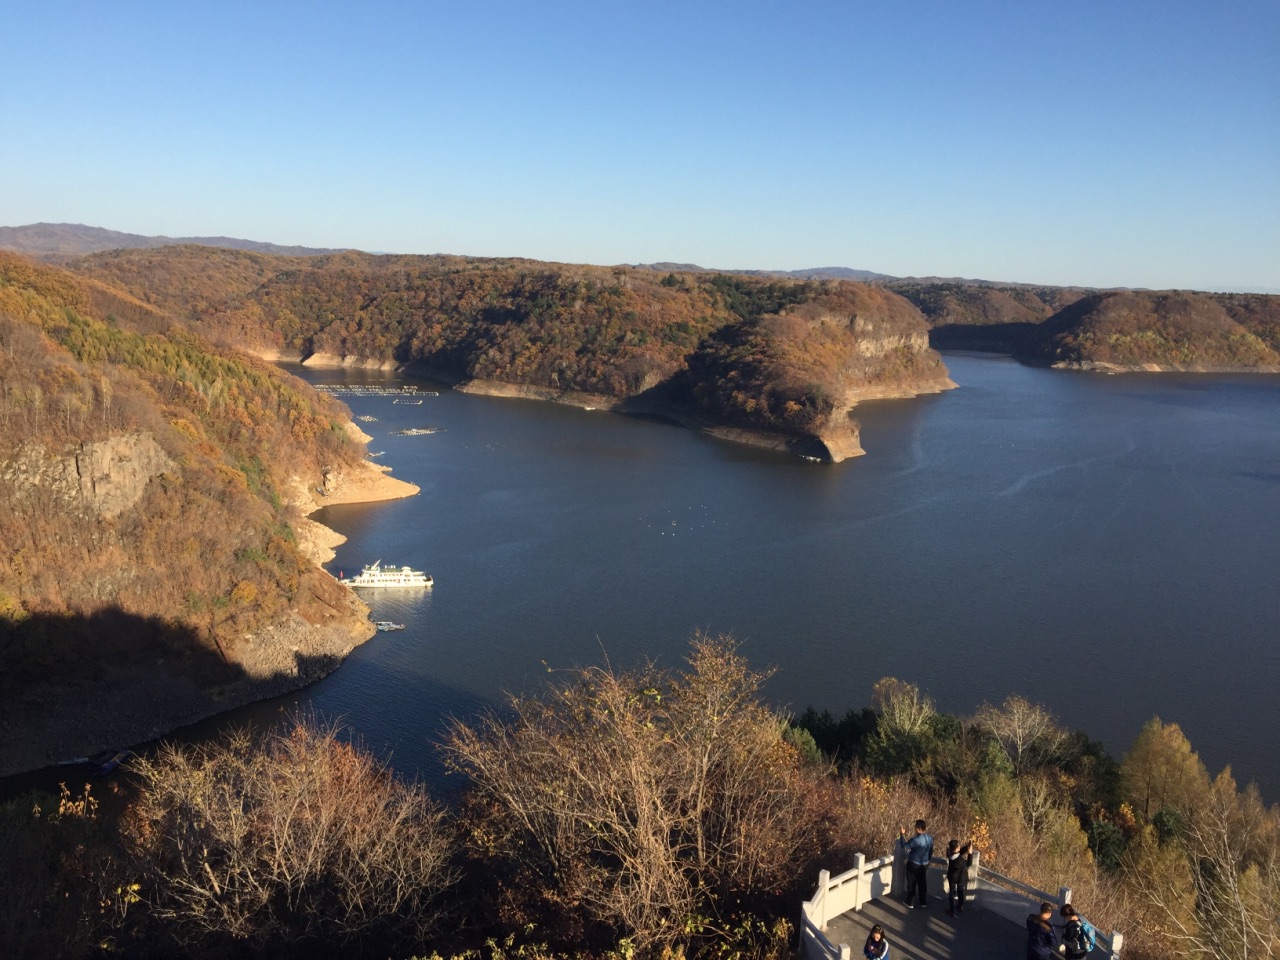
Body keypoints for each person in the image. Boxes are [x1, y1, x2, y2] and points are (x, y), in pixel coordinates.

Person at [897, 819, 934, 908]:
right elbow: (931, 851)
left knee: (912, 883)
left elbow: (905, 847)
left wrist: (902, 834)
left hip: (914, 863)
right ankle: (923, 901)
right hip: (924, 864)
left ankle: (910, 902)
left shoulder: (916, 840)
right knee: (922, 883)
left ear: (918, 828)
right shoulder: (930, 838)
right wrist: (928, 861)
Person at [945, 839, 972, 916]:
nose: (960, 846)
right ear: (956, 848)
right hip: (961, 877)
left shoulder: (950, 853)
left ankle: (951, 910)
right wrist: (970, 853)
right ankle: (960, 906)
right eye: (958, 846)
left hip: (952, 877)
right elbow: (969, 863)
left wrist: (967, 847)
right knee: (960, 892)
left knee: (952, 892)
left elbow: (959, 852)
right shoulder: (959, 860)